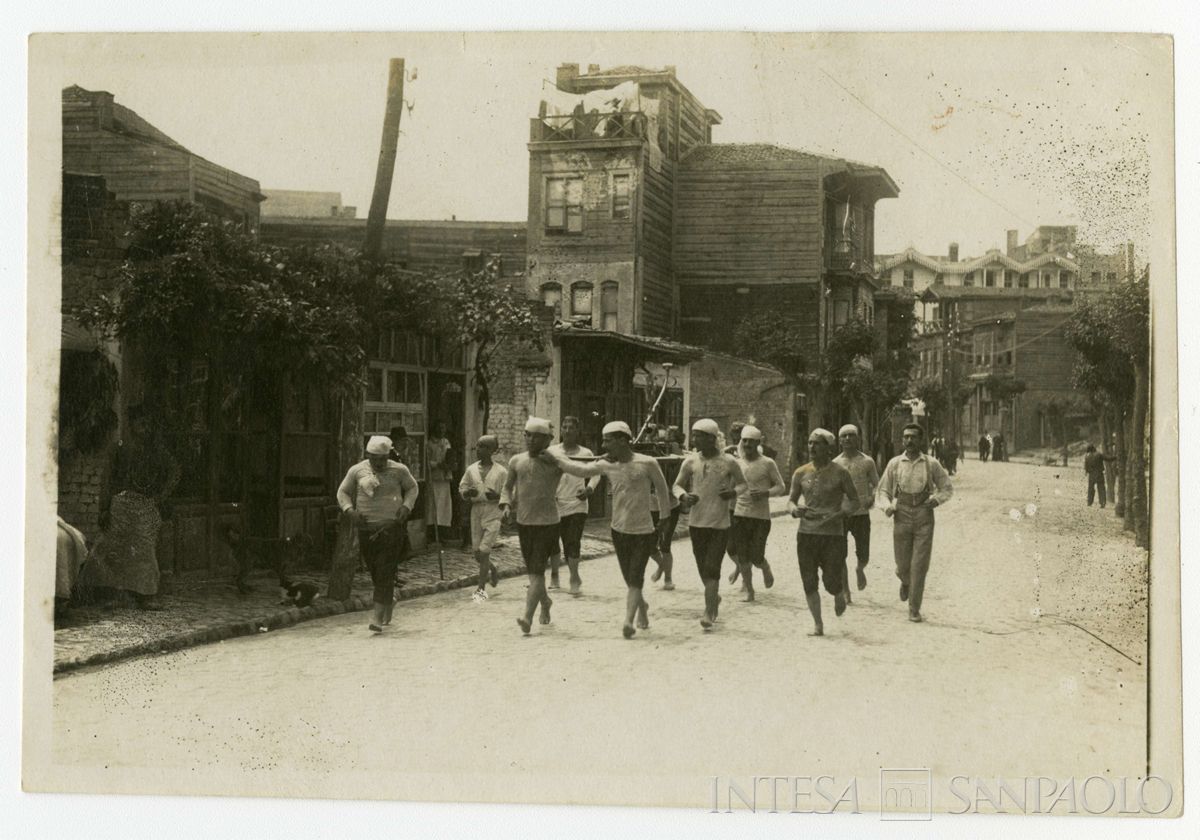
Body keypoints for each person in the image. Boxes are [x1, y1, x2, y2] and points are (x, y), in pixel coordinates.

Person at [548, 421, 673, 638]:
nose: (604, 445)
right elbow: (581, 470)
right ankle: (642, 608)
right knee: (630, 579)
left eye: (608, 440)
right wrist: (556, 458)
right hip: (618, 530)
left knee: (635, 577)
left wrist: (664, 519)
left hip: (643, 531)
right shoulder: (606, 464)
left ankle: (628, 621)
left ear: (623, 440)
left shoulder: (648, 463)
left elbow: (662, 491)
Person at [82, 404, 180, 610]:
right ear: (132, 424)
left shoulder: (157, 451)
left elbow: (174, 472)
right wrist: (104, 508)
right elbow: (107, 480)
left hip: (145, 506)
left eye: (148, 424)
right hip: (120, 505)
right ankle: (112, 594)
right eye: (140, 423)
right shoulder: (120, 449)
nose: (145, 428)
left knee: (144, 550)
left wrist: (160, 497)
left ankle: (146, 595)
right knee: (112, 549)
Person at [337, 435, 419, 633]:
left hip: (391, 529)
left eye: (382, 459)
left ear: (388, 456)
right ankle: (388, 599)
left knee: (384, 570)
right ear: (368, 455)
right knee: (376, 571)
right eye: (374, 459)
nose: (378, 463)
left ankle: (376, 618)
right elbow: (343, 492)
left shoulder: (399, 470)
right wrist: (350, 511)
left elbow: (412, 488)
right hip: (367, 529)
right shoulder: (357, 470)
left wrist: (406, 507)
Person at [673, 418, 747, 629]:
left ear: (711, 438)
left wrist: (732, 492)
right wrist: (684, 496)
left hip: (720, 524)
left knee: (712, 567)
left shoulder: (729, 461)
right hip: (696, 523)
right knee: (702, 568)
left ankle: (708, 611)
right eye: (694, 435)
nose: (694, 439)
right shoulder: (690, 462)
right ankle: (713, 596)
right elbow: (676, 485)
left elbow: (743, 484)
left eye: (699, 436)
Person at [879, 423, 954, 623]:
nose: (909, 440)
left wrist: (936, 500)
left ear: (921, 440)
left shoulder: (931, 464)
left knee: (919, 565)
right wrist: (887, 506)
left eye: (913, 437)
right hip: (901, 514)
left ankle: (914, 608)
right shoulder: (895, 463)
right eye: (906, 437)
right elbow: (883, 490)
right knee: (903, 564)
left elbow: (947, 488)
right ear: (902, 440)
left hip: (924, 515)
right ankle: (905, 581)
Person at [789, 429, 860, 636]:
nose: (812, 447)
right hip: (806, 533)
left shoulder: (840, 473)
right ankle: (818, 624)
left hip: (832, 535)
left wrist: (841, 514)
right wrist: (794, 510)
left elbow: (855, 501)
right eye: (810, 443)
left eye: (817, 443)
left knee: (831, 581)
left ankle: (838, 593)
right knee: (809, 581)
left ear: (828, 448)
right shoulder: (800, 472)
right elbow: (791, 500)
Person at [501, 417, 567, 636]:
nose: (531, 440)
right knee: (533, 573)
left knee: (537, 571)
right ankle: (545, 602)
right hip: (524, 523)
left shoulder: (555, 462)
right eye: (527, 435)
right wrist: (506, 505)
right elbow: (507, 487)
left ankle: (527, 617)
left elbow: (581, 469)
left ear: (548, 440)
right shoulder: (516, 461)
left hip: (548, 523)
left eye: (537, 437)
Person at [729, 424, 786, 602]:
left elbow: (781, 486)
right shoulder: (737, 463)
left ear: (758, 442)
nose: (747, 444)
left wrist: (765, 493)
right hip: (740, 515)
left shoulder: (767, 463)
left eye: (751, 441)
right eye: (744, 441)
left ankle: (765, 567)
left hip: (760, 517)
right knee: (743, 556)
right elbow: (731, 488)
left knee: (756, 556)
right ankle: (750, 590)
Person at [546, 415, 599, 594]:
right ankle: (554, 575)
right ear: (560, 430)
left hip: (577, 504)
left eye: (571, 428)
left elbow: (596, 473)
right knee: (552, 542)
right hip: (554, 504)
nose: (567, 431)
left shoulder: (586, 453)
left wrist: (589, 489)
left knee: (572, 541)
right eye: (565, 427)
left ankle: (574, 577)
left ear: (578, 431)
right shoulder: (552, 451)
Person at [833, 423, 879, 605]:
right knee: (839, 554)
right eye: (844, 436)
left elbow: (878, 485)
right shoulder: (835, 463)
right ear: (839, 440)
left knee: (864, 554)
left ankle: (860, 569)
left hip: (861, 513)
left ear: (858, 438)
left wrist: (871, 498)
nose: (847, 439)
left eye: (851, 435)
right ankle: (845, 591)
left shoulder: (867, 461)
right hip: (842, 514)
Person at [459, 435, 507, 601]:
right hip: (476, 511)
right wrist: (467, 493)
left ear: (492, 450)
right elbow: (462, 488)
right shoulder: (471, 470)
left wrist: (498, 496)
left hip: (493, 512)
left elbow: (509, 493)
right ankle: (492, 569)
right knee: (477, 553)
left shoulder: (501, 472)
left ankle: (480, 589)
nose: (479, 450)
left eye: (484, 447)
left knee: (484, 550)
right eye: (478, 446)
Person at [425, 422, 454, 544]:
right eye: (440, 428)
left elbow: (449, 456)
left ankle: (442, 533)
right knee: (433, 505)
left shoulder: (446, 442)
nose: (442, 430)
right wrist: (437, 464)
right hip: (434, 478)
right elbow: (426, 461)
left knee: (444, 506)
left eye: (444, 428)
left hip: (444, 478)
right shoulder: (429, 443)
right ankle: (432, 534)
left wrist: (450, 464)